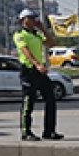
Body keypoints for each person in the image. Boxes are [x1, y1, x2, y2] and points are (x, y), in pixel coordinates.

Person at [13, 9, 62, 141]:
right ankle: (26, 132)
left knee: (50, 99)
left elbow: (51, 43)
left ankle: (49, 131)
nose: (34, 20)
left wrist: (43, 29)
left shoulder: (36, 34)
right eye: (31, 18)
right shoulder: (19, 34)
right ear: (24, 20)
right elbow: (26, 51)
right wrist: (37, 64)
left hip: (39, 71)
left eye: (35, 18)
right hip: (29, 70)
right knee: (29, 102)